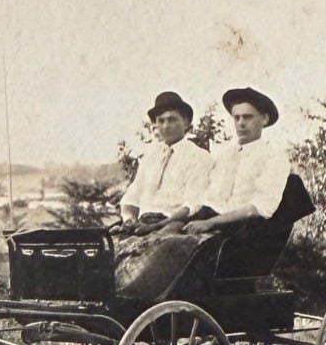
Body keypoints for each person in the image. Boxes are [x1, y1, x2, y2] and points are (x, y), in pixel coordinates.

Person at [186, 88, 293, 237]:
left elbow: (258, 208)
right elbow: (209, 198)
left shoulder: (274, 157)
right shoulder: (225, 155)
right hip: (208, 218)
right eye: (236, 118)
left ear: (264, 119)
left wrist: (211, 223)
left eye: (247, 117)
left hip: (242, 228)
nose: (241, 124)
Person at [115, 92, 214, 227]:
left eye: (172, 120)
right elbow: (131, 199)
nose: (166, 126)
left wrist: (156, 226)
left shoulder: (198, 156)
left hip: (174, 225)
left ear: (185, 123)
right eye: (161, 121)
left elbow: (192, 204)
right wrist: (129, 220)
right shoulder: (150, 157)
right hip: (143, 224)